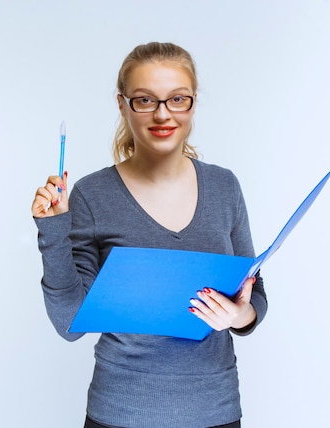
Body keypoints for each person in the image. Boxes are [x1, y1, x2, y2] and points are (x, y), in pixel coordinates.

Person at [31, 41, 268, 428]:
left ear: (193, 103)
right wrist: (53, 231)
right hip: (119, 414)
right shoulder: (93, 195)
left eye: (177, 99)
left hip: (216, 412)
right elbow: (70, 323)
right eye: (145, 100)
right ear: (122, 104)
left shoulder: (225, 187)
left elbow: (255, 292)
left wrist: (242, 314)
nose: (163, 114)